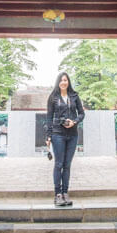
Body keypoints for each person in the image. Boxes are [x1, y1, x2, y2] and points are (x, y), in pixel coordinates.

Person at [45, 72, 85, 206]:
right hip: (58, 134)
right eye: (61, 80)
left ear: (68, 82)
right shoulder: (53, 97)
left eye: (66, 80)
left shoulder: (74, 96)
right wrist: (48, 136)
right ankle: (57, 194)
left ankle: (65, 193)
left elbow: (82, 113)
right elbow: (49, 118)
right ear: (58, 82)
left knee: (67, 165)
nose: (64, 82)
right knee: (59, 164)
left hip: (73, 134)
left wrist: (74, 121)